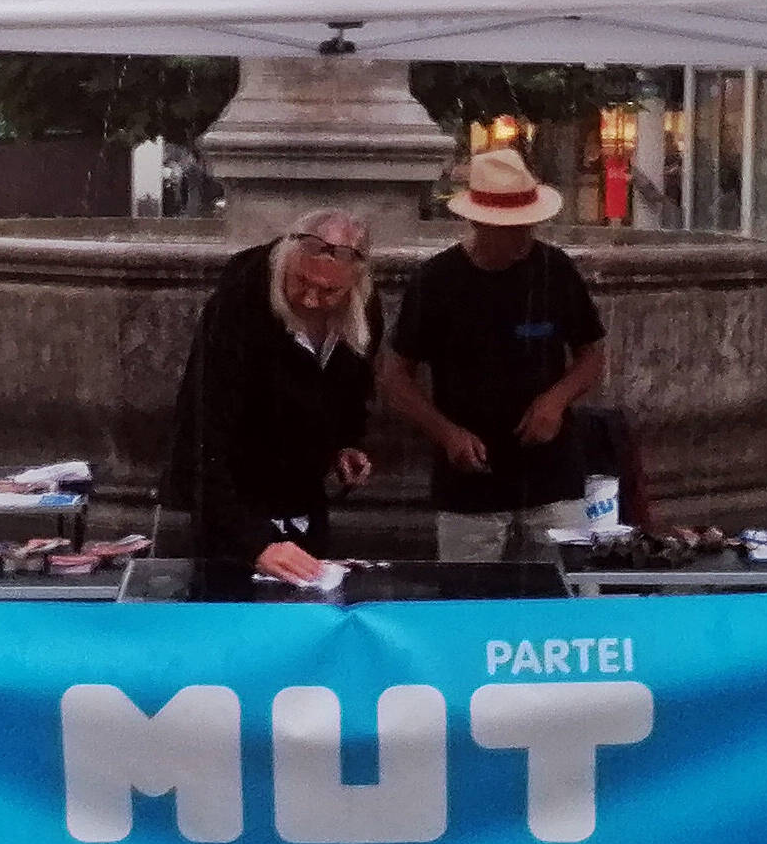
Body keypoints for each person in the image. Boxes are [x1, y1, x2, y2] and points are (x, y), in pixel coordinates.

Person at [380, 150, 608, 562]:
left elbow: (591, 355)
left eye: (528, 226)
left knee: (565, 597)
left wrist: (556, 401)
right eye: (511, 228)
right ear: (480, 223)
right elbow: (395, 376)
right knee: (471, 602)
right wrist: (446, 432)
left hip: (552, 475)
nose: (524, 237)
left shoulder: (555, 270)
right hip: (470, 482)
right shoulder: (436, 281)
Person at [165, 209, 376, 583]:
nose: (311, 300)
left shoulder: (363, 309)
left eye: (330, 291)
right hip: (233, 505)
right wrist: (255, 543)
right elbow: (200, 433)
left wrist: (346, 442)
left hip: (305, 501)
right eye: (301, 282)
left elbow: (352, 387)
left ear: (354, 285)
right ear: (285, 260)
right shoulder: (239, 305)